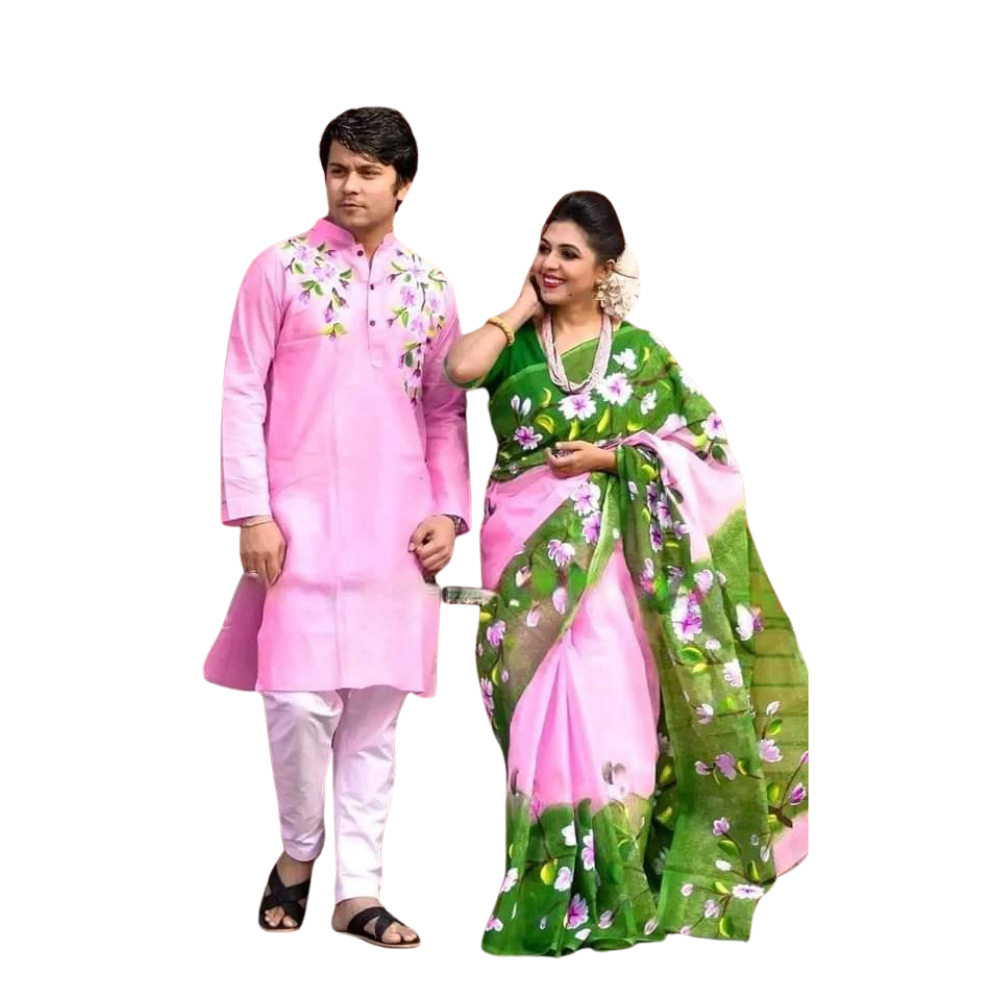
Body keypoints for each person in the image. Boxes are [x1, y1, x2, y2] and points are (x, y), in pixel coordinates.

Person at [443, 191, 808, 956]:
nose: (550, 263)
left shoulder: (641, 356)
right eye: (543, 247)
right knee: (534, 723)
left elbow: (710, 453)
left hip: (610, 574)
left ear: (606, 268)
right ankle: (544, 887)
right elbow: (457, 368)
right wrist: (519, 307)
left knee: (613, 717)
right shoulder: (512, 344)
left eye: (568, 253)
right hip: (525, 565)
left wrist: (612, 459)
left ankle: (621, 888)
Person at [203, 107, 470, 946]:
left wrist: (448, 512)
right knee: (295, 703)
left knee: (375, 719)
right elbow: (241, 391)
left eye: (368, 173)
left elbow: (444, 413)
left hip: (396, 533)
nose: (350, 186)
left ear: (404, 184)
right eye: (338, 169)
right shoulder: (279, 269)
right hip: (299, 528)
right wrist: (252, 511)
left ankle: (360, 892)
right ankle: (298, 851)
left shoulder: (430, 288)